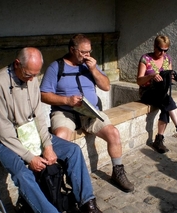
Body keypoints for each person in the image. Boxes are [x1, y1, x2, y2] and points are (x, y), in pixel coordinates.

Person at [0, 47, 117, 213]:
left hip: (29, 132)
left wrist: (47, 145)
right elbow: (4, 132)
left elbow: (38, 117)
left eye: (35, 75)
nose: (31, 79)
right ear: (17, 64)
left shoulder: (31, 79)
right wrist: (30, 157)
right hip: (2, 139)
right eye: (28, 74)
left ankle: (87, 207)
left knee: (73, 151)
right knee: (22, 173)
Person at [40, 34, 134, 193]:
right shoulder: (56, 67)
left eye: (89, 51)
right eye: (84, 52)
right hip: (65, 111)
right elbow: (43, 95)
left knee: (114, 133)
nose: (87, 55)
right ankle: (57, 179)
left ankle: (118, 172)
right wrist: (66, 101)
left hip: (90, 111)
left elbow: (106, 86)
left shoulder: (90, 65)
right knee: (61, 137)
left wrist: (93, 69)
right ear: (72, 50)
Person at [136, 35, 177, 154]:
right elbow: (139, 81)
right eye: (160, 49)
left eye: (165, 50)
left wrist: (173, 78)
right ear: (154, 46)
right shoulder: (145, 59)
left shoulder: (167, 59)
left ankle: (159, 140)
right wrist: (151, 76)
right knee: (167, 101)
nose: (162, 53)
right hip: (147, 92)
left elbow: (170, 81)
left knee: (165, 107)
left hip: (161, 93)